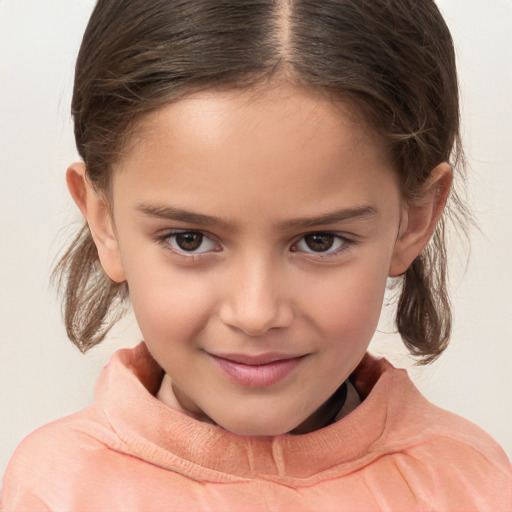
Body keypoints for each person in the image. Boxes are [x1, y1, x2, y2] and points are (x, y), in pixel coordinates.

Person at [2, 0, 511, 510]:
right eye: (189, 239)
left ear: (414, 218)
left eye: (319, 241)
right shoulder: (55, 490)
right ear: (104, 222)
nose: (255, 313)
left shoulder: (471, 485)